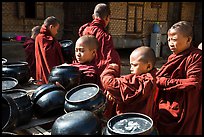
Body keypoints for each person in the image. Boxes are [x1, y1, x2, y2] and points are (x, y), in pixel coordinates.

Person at [155, 21, 202, 135]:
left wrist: (163, 81)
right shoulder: (173, 57)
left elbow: (193, 82)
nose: (170, 43)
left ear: (188, 40)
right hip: (170, 100)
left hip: (185, 105)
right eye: (169, 39)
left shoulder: (196, 56)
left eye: (174, 40)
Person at [100, 46, 158, 121]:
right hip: (143, 120)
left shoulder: (142, 81)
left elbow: (110, 83)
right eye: (131, 65)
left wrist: (111, 70)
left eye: (135, 65)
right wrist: (114, 94)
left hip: (130, 121)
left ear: (148, 66)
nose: (131, 68)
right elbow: (123, 88)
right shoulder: (153, 77)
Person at [78, 3, 121, 90]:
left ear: (93, 16)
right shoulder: (104, 36)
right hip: (96, 74)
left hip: (83, 71)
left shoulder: (84, 30)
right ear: (107, 18)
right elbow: (109, 59)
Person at [35, 16, 64, 85]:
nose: (57, 32)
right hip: (47, 72)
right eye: (56, 29)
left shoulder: (39, 37)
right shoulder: (43, 38)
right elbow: (48, 55)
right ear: (51, 27)